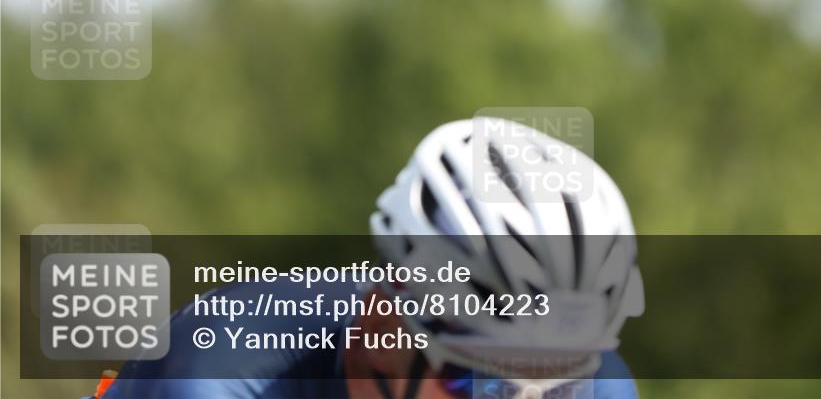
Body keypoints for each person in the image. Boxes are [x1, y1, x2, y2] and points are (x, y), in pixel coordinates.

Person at [99, 118, 644, 399]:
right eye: (489, 386)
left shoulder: (600, 383)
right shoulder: (215, 375)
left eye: (560, 391)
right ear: (388, 323)